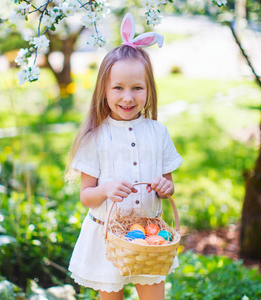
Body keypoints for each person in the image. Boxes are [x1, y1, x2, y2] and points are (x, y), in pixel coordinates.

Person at [67, 13, 183, 300]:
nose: (127, 97)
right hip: (107, 237)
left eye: (137, 88)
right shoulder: (95, 137)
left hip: (149, 235)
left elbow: (168, 184)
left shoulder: (158, 132)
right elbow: (87, 196)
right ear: (103, 91)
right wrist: (105, 189)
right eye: (118, 88)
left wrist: (166, 187)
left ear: (148, 89)